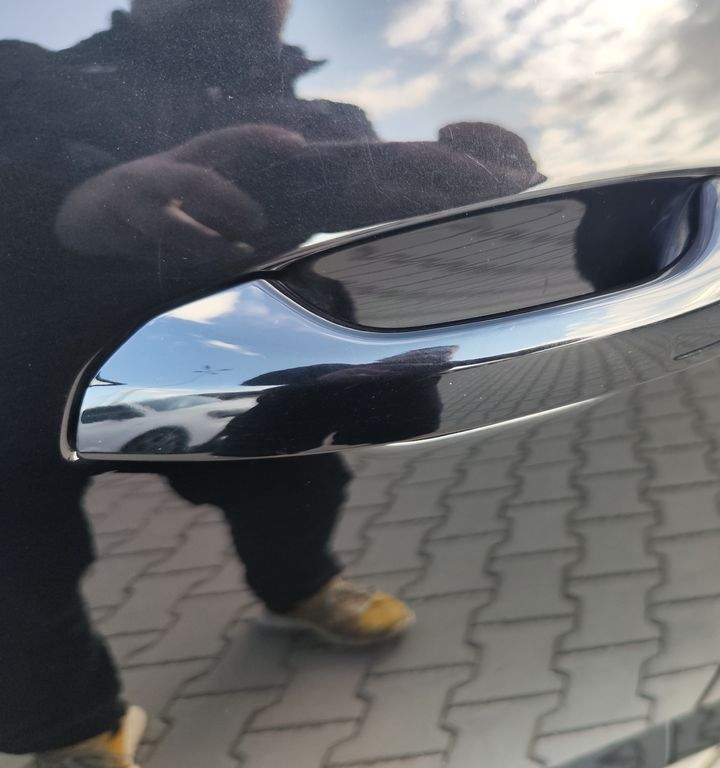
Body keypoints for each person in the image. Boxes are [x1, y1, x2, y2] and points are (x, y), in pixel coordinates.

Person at [0, 1, 540, 765]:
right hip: (20, 379)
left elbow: (345, 252)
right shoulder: (22, 71)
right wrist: (70, 202)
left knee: (297, 485)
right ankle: (74, 730)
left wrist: (475, 213)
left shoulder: (326, 121)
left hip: (222, 365)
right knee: (14, 566)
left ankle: (300, 588)